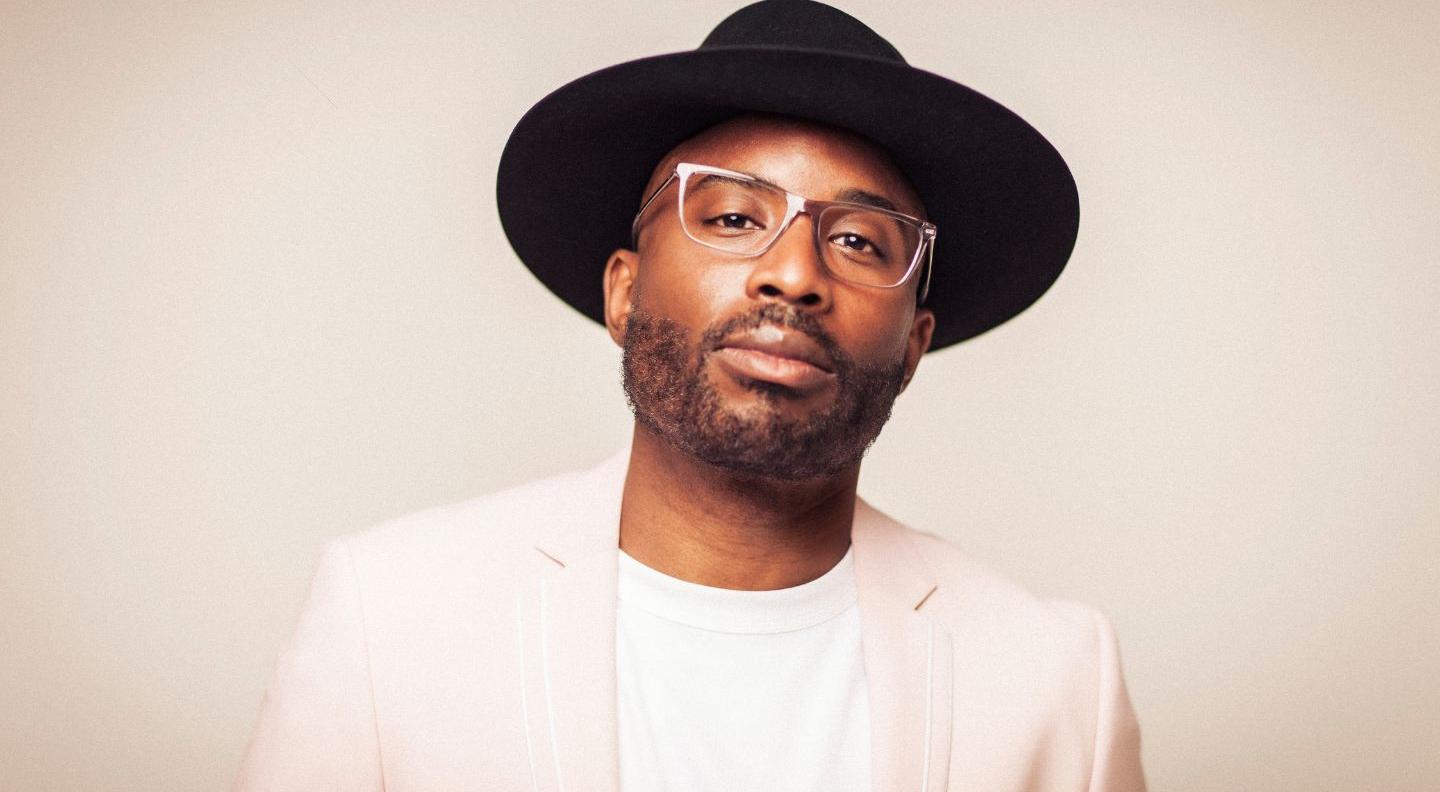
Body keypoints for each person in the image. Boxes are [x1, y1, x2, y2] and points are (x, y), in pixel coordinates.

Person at [234, 1, 1146, 790]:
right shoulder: (389, 616)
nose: (793, 276)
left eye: (863, 242)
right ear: (625, 293)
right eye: (734, 218)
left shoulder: (1056, 679)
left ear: (914, 344)